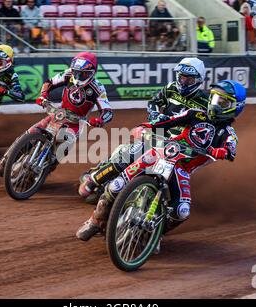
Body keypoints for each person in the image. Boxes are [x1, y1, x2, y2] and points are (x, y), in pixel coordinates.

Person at [76, 80, 246, 243]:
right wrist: (146, 126)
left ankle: (154, 233)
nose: (216, 104)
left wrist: (220, 151)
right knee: (116, 185)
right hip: (161, 151)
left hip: (182, 170)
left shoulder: (228, 133)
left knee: (182, 211)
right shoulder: (195, 113)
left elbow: (231, 150)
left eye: (222, 103)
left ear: (234, 108)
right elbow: (168, 121)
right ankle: (94, 221)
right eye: (215, 98)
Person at [78, 57, 208, 203]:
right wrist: (155, 115)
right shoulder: (171, 88)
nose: (184, 82)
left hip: (178, 143)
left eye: (189, 80)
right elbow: (154, 102)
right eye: (181, 77)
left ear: (198, 80)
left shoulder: (205, 103)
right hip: (159, 132)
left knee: (166, 176)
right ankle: (97, 173)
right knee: (128, 152)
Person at [0, 52, 113, 181]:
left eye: (83, 73)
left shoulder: (98, 88)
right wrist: (43, 95)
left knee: (61, 149)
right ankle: (1, 166)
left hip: (76, 123)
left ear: (92, 72)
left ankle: (44, 172)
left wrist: (100, 120)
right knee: (28, 134)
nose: (78, 76)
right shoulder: (69, 74)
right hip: (58, 114)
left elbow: (107, 111)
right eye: (76, 72)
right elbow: (49, 82)